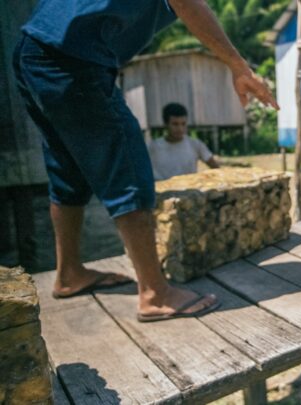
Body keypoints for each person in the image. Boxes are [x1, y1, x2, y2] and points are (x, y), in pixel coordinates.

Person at [14, 0, 278, 322]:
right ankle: (155, 293)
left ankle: (68, 273)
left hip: (34, 51)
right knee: (128, 163)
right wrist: (238, 65)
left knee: (67, 166)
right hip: (73, 57)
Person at [148, 102, 220, 181]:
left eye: (183, 124)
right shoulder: (152, 147)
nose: (180, 129)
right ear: (166, 124)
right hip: (161, 190)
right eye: (175, 124)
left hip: (189, 190)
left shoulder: (195, 144)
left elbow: (216, 167)